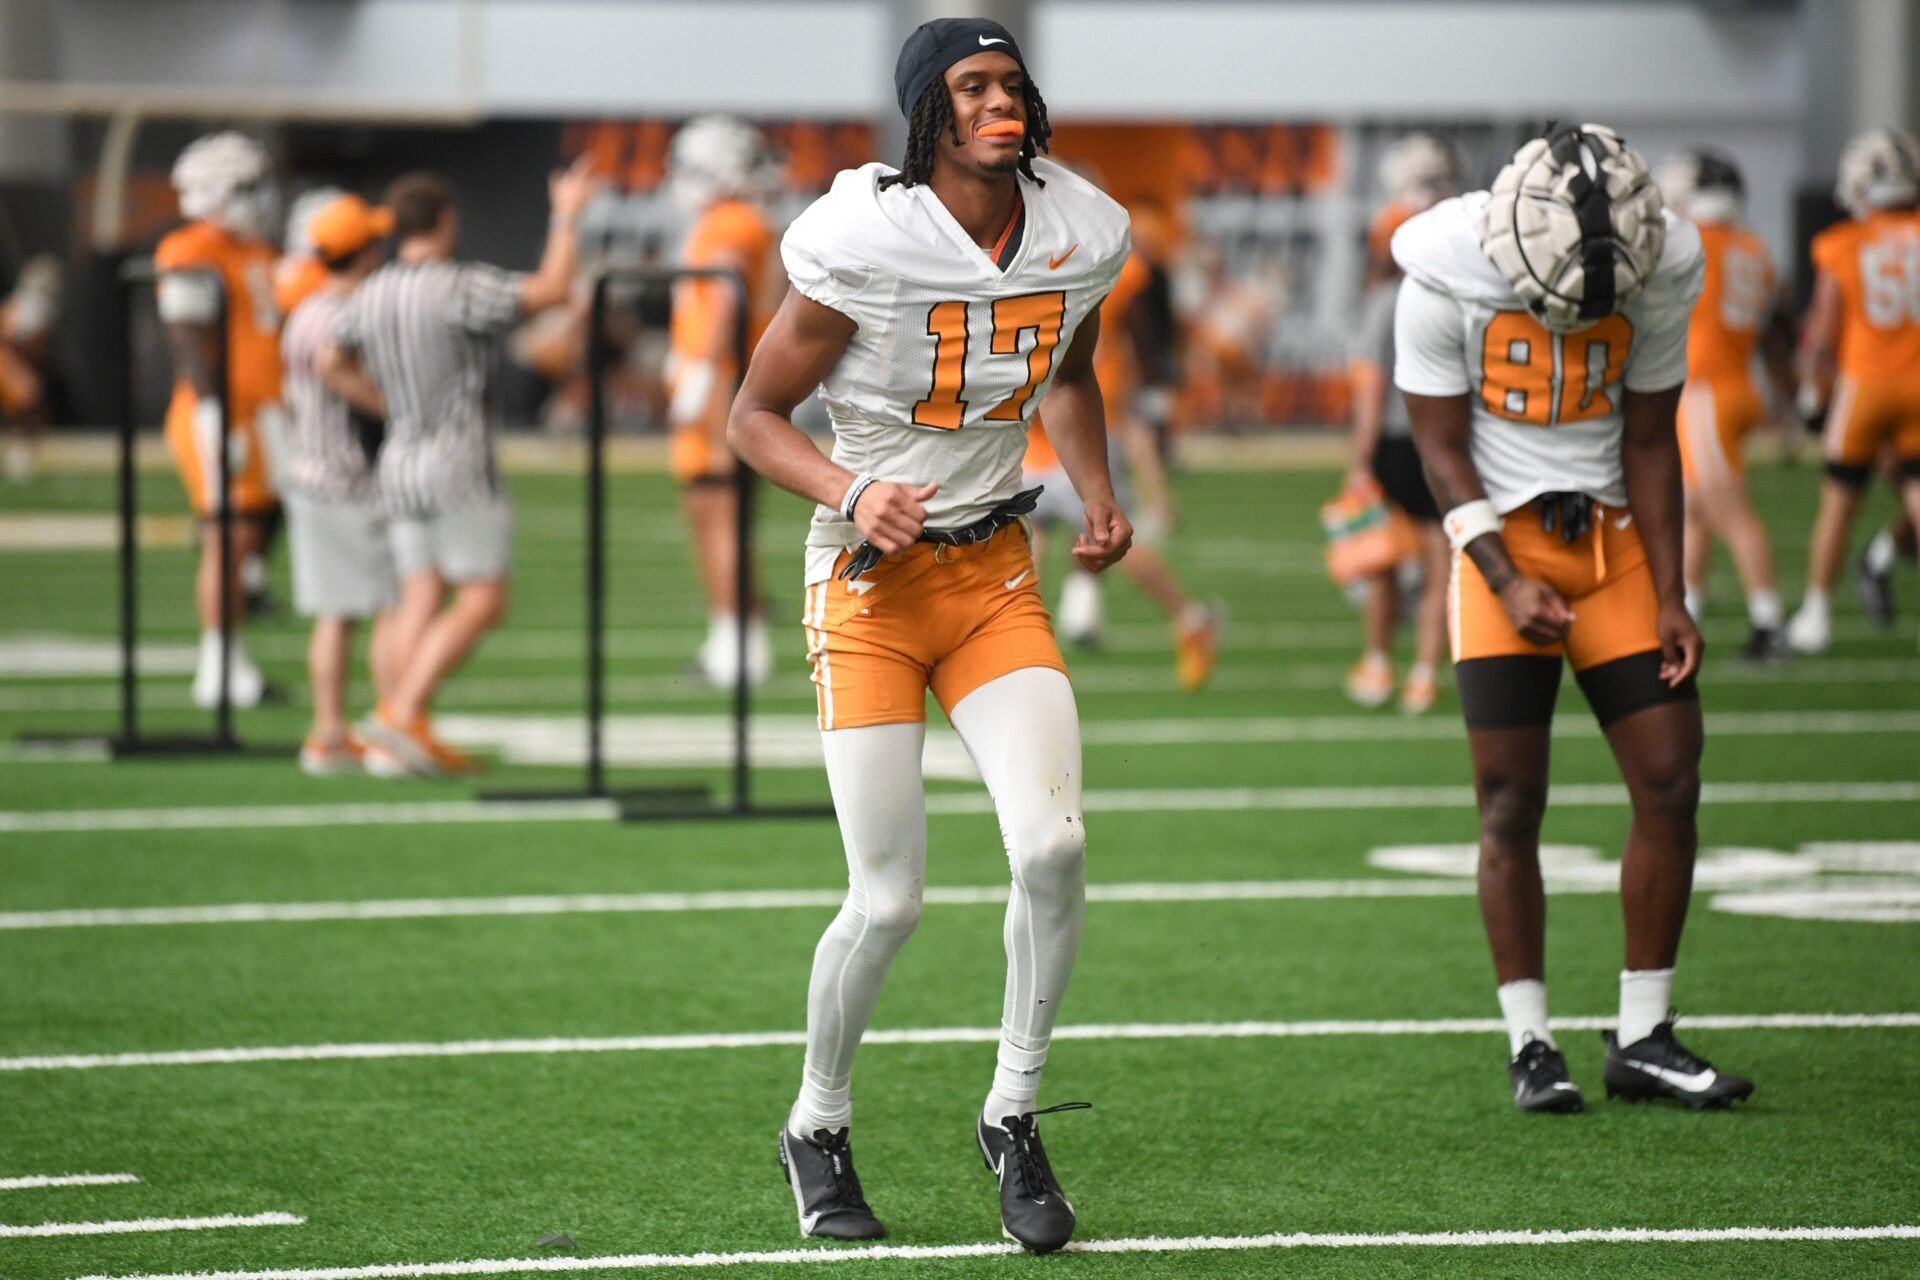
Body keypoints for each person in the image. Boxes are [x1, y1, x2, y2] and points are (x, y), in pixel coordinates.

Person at [727, 18, 1130, 1252]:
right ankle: (819, 1119)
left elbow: (1066, 363)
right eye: (973, 85)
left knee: (1054, 846)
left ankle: (1012, 1110)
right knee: (890, 900)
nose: (1002, 101)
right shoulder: (864, 235)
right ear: (928, 113)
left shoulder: (1078, 225)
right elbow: (752, 415)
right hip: (869, 584)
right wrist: (851, 488)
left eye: (1013, 81)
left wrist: (1096, 487)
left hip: (994, 571)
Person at [1394, 123, 1754, 1114]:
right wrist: (1506, 577)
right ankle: (1529, 1040)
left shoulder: (1664, 258)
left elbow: (1649, 435)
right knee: (1510, 801)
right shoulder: (1442, 267)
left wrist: (1674, 587)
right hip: (1498, 547)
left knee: (1672, 773)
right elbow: (1440, 454)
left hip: (1614, 543)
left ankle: (1643, 1032)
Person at [325, 162, 596, 778]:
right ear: (446, 220)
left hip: (400, 455)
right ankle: (403, 713)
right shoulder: (455, 286)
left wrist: (386, 404)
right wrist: (568, 215)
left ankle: (396, 732)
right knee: (482, 598)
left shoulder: (373, 290)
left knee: (416, 595)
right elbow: (552, 289)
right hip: (456, 459)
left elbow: (328, 360)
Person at [1025, 244, 1219, 692]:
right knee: (1024, 542)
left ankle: (1188, 617)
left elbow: (1132, 335)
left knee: (1106, 533)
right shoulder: (1024, 256)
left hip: (1075, 422)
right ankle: (1023, 649)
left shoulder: (1093, 263)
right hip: (1035, 429)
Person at [155, 131, 285, 709]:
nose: (262, 199)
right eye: (250, 187)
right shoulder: (193, 248)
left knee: (248, 535)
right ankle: (218, 667)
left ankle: (232, 659)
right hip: (219, 412)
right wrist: (211, 411)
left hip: (257, 414)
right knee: (226, 539)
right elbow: (185, 339)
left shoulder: (252, 250)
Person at [1655, 149, 1793, 661]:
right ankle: (1689, 605)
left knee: (1730, 511)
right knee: (1690, 507)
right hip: (1739, 382)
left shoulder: (1697, 244)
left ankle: (1769, 622)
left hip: (1706, 390)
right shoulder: (1752, 246)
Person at [1787, 127, 1920, 654]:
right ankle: (1881, 560)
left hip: (1865, 386)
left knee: (1839, 503)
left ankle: (1817, 614)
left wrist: (1811, 398)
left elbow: (1823, 330)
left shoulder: (1842, 243)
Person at [280, 195, 400, 775]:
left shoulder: (303, 308)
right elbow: (335, 368)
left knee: (336, 613)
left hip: (308, 470)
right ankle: (390, 729)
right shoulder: (347, 313)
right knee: (389, 606)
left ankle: (329, 732)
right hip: (350, 478)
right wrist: (397, 411)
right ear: (366, 249)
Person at [663, 117, 783, 687]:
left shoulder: (732, 222)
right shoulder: (733, 219)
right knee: (713, 516)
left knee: (720, 517)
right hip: (727, 380)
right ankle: (729, 640)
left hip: (724, 383)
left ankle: (739, 645)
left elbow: (728, 295)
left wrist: (704, 370)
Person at [1345, 135, 1459, 714]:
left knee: (1382, 561)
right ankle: (1423, 675)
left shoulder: (1388, 298)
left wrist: (1359, 461)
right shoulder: (1460, 290)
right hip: (1448, 438)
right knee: (1442, 559)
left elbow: (1371, 388)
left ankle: (1379, 663)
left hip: (1394, 438)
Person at [0, 255, 60, 486]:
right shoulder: (31, 307)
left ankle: (20, 452)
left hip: (10, 360)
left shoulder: (28, 303)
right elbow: (18, 339)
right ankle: (19, 452)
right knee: (30, 397)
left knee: (30, 406)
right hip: (6, 359)